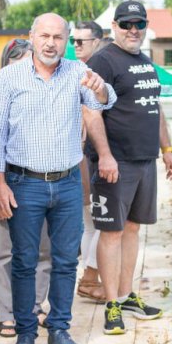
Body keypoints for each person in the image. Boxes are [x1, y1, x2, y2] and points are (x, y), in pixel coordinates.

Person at [0, 13, 115, 344]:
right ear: (32, 36)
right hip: (23, 183)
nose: (50, 43)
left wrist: (100, 89)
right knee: (24, 261)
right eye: (44, 35)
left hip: (68, 183)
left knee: (65, 260)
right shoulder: (9, 78)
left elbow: (104, 101)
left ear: (66, 41)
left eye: (58, 37)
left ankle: (59, 329)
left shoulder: (77, 72)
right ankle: (26, 332)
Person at [85, 0, 172, 336]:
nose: (133, 30)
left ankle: (125, 295)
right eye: (126, 24)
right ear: (114, 26)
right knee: (111, 231)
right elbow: (91, 111)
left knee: (133, 229)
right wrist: (105, 155)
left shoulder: (145, 62)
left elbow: (155, 107)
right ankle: (111, 303)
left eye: (139, 24)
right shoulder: (102, 61)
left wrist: (167, 148)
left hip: (144, 160)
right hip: (116, 162)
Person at [0, 38, 52, 338]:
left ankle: (34, 306)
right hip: (1, 183)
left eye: (28, 60)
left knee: (41, 251)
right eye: (17, 61)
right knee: (2, 254)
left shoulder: (41, 92)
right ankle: (7, 312)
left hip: (35, 185)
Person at [71, 20, 107, 303]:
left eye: (81, 41)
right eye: (74, 41)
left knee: (93, 223)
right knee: (99, 223)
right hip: (86, 158)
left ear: (97, 41)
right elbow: (89, 117)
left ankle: (90, 276)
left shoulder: (90, 71)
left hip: (86, 156)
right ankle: (90, 277)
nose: (76, 45)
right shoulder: (81, 73)